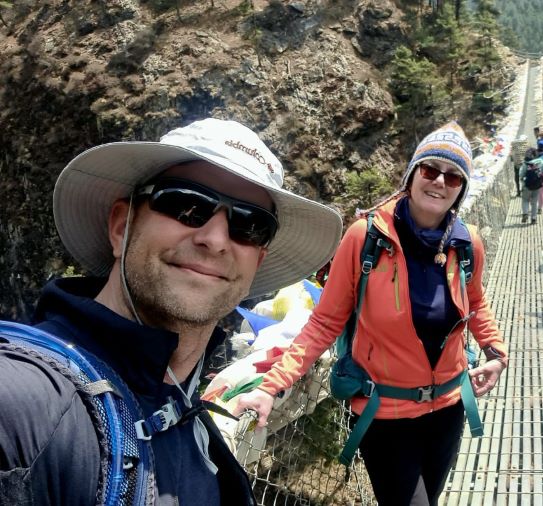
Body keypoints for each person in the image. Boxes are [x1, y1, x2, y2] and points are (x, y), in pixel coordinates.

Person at [0, 118, 344, 505]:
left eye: (249, 225)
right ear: (121, 226)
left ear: (256, 264)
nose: (215, 240)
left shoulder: (188, 421)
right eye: (186, 204)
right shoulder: (21, 404)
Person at [232, 121, 509, 506]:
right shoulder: (365, 238)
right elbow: (324, 322)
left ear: (461, 189)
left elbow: (476, 303)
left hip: (449, 407)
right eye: (430, 170)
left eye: (454, 177)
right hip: (386, 413)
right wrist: (270, 385)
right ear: (412, 175)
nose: (440, 182)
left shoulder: (467, 244)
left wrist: (495, 353)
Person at [520, 147, 543, 225]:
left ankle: (525, 213)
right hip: (536, 186)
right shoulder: (540, 162)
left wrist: (522, 179)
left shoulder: (525, 163)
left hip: (526, 185)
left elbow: (521, 174)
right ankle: (533, 219)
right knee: (534, 202)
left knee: (525, 200)